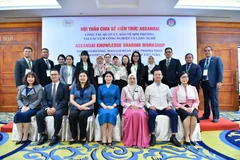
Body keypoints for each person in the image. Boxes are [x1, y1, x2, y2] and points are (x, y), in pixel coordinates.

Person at [146, 69, 181, 147]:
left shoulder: (166, 87)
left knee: (174, 114)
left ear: (162, 76)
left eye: (159, 74)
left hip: (165, 107)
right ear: (153, 76)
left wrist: (169, 104)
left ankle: (173, 136)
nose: (157, 76)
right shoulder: (149, 88)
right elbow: (145, 100)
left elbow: (170, 99)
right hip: (155, 108)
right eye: (156, 75)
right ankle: (153, 136)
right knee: (151, 115)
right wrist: (149, 106)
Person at [36, 69, 69, 146]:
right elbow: (43, 100)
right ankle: (43, 134)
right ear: (50, 76)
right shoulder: (46, 87)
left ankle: (56, 135)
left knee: (57, 114)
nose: (53, 76)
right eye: (52, 75)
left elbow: (65, 100)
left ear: (59, 76)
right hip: (49, 107)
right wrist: (47, 108)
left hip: (61, 108)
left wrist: (56, 108)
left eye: (55, 74)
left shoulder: (64, 87)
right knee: (39, 114)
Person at [14, 72, 43, 144]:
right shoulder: (22, 87)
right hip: (23, 106)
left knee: (25, 114)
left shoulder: (39, 87)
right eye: (29, 77)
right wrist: (23, 106)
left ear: (35, 78)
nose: (30, 79)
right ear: (26, 78)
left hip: (34, 107)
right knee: (17, 115)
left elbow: (39, 99)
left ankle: (26, 135)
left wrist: (29, 107)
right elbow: (18, 99)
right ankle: (20, 134)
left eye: (32, 77)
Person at [121, 73, 149, 148]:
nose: (132, 80)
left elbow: (143, 100)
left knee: (141, 115)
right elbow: (122, 102)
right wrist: (130, 105)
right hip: (128, 107)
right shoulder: (124, 89)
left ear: (136, 79)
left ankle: (140, 140)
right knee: (130, 115)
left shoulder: (140, 88)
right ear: (128, 79)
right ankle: (130, 140)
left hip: (138, 106)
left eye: (133, 78)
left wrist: (138, 106)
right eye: (130, 78)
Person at [68, 71, 96, 145]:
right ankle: (74, 136)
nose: (82, 78)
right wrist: (78, 106)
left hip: (88, 107)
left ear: (87, 77)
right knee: (72, 116)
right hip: (76, 106)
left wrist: (84, 106)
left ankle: (83, 137)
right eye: (81, 76)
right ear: (78, 77)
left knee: (82, 116)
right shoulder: (74, 86)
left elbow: (93, 99)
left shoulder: (91, 86)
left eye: (84, 76)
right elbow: (71, 99)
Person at [172, 72, 200, 146]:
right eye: (182, 77)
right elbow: (174, 102)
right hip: (181, 107)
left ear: (188, 78)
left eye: (186, 77)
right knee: (187, 116)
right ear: (179, 79)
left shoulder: (193, 88)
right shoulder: (176, 89)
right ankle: (186, 136)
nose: (184, 79)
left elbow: (197, 101)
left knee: (194, 116)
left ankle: (191, 136)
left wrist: (193, 107)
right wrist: (184, 108)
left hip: (192, 106)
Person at [199, 46, 223, 123]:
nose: (207, 52)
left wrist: (219, 81)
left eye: (208, 50)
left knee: (214, 100)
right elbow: (200, 73)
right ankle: (206, 114)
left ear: (211, 51)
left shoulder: (216, 59)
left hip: (213, 83)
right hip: (204, 83)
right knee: (206, 100)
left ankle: (216, 116)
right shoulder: (202, 61)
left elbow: (220, 71)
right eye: (205, 51)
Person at [98, 71, 120, 146]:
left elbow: (118, 99)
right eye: (107, 76)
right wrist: (104, 106)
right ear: (104, 78)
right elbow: (99, 99)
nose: (108, 78)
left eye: (110, 76)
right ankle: (104, 137)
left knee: (111, 114)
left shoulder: (116, 87)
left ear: (112, 78)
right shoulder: (100, 87)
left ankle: (110, 137)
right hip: (103, 106)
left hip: (113, 106)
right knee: (104, 114)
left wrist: (113, 106)